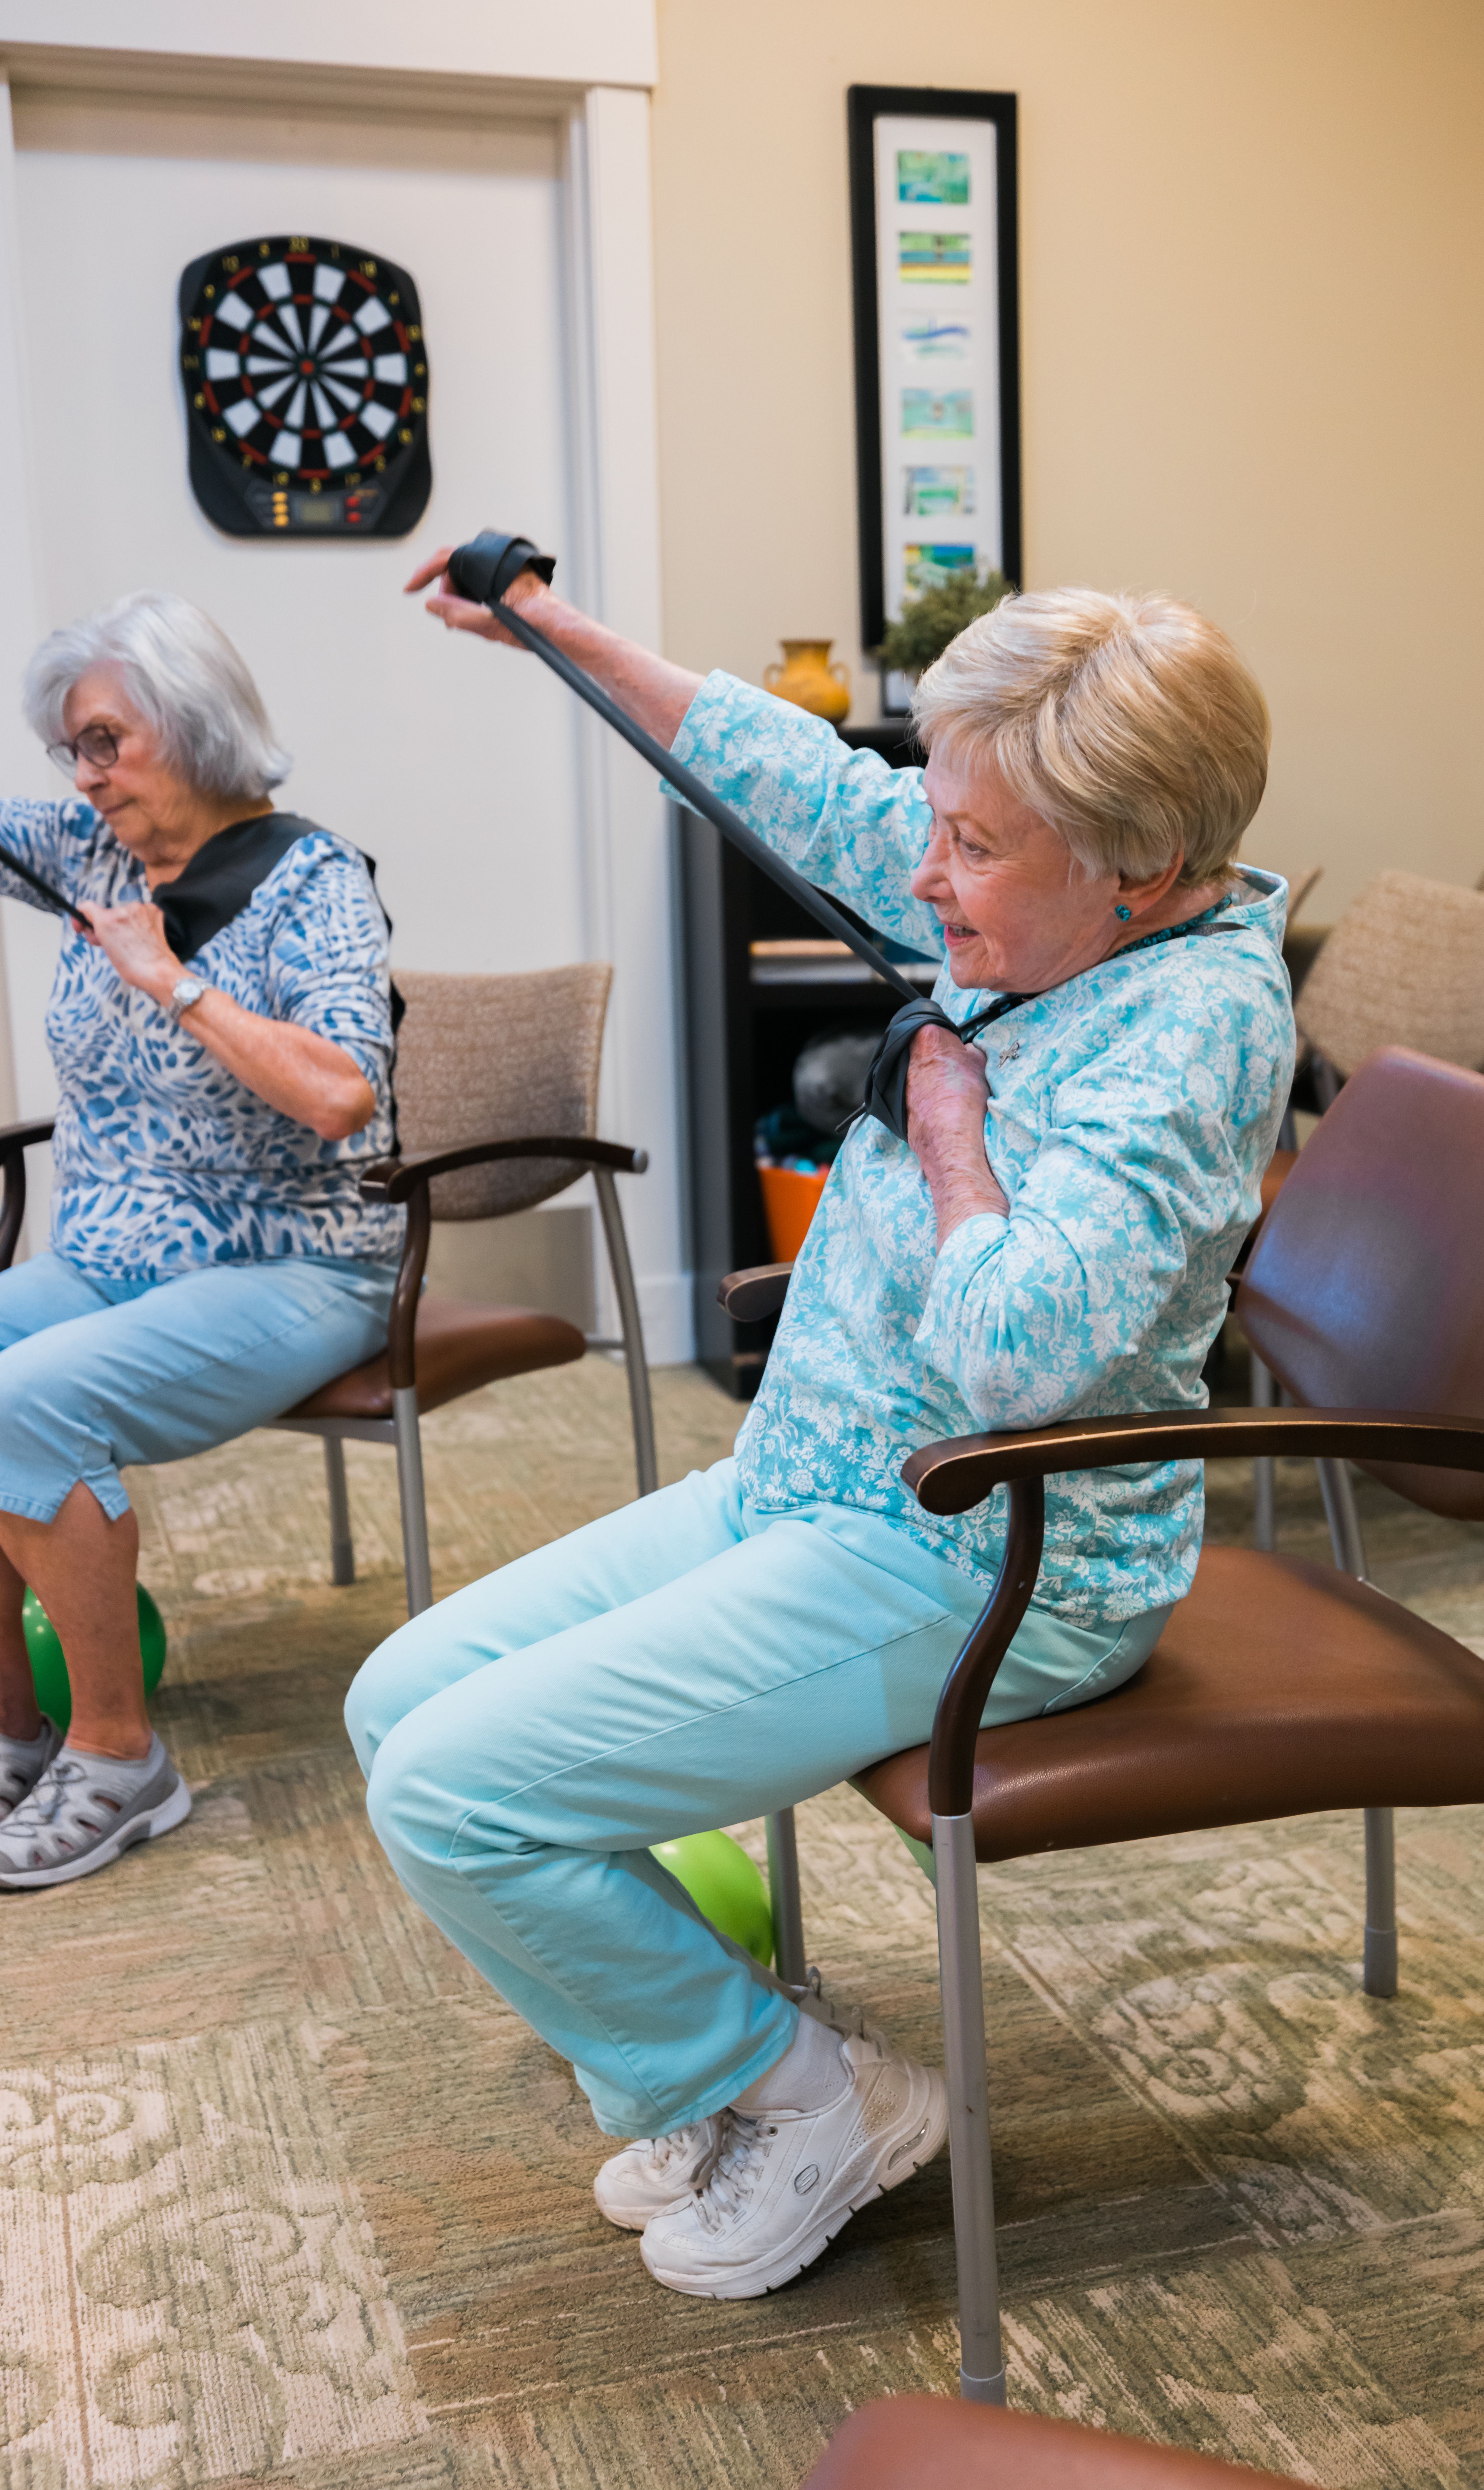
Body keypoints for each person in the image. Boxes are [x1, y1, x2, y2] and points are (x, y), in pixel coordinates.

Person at [346, 553, 1294, 2301]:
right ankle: (710, 2054)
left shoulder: (1186, 1025)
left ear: (1139, 867)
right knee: (395, 1704)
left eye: (971, 847)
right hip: (815, 1483)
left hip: (986, 1549)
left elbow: (1017, 1360)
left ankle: (809, 2095)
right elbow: (799, 782)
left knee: (459, 1797)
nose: (921, 872)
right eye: (939, 823)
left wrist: (947, 1116)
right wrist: (555, 627)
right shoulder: (1045, 893)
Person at [0, 591, 402, 1889]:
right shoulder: (93, 850)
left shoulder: (314, 881)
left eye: (104, 741)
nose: (82, 775)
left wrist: (175, 980)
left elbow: (340, 1093)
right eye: (70, 752)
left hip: (294, 1262)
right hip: (112, 1252)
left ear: (192, 726)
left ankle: (118, 1756)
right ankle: (11, 1731)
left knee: (31, 1398)